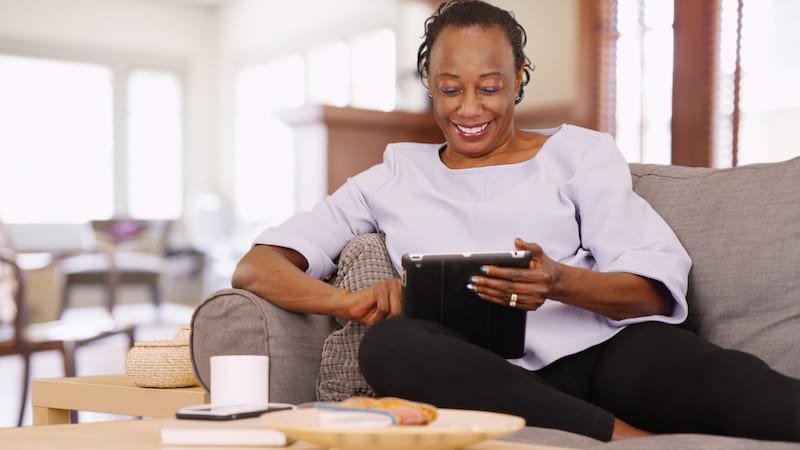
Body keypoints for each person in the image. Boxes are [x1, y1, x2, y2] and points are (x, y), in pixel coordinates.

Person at [232, 0, 800, 442]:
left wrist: (560, 283)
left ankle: (580, 422)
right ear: (430, 81)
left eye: (490, 87)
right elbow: (257, 268)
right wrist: (345, 303)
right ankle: (619, 438)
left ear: (519, 77)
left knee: (740, 389)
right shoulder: (390, 175)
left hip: (606, 353)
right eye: (450, 88)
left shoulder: (579, 154)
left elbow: (651, 291)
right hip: (477, 371)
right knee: (389, 346)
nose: (469, 109)